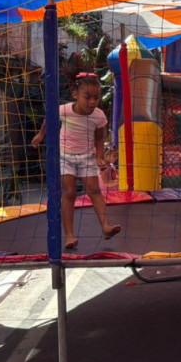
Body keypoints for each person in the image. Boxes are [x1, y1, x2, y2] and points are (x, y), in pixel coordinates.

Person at [31, 73, 121, 249]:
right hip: (65, 157)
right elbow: (49, 118)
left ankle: (106, 227)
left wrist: (99, 156)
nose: (92, 102)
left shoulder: (98, 115)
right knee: (69, 193)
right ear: (75, 95)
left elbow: (99, 138)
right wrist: (41, 135)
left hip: (86, 157)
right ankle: (69, 236)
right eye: (87, 97)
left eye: (96, 97)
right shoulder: (64, 110)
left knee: (95, 190)